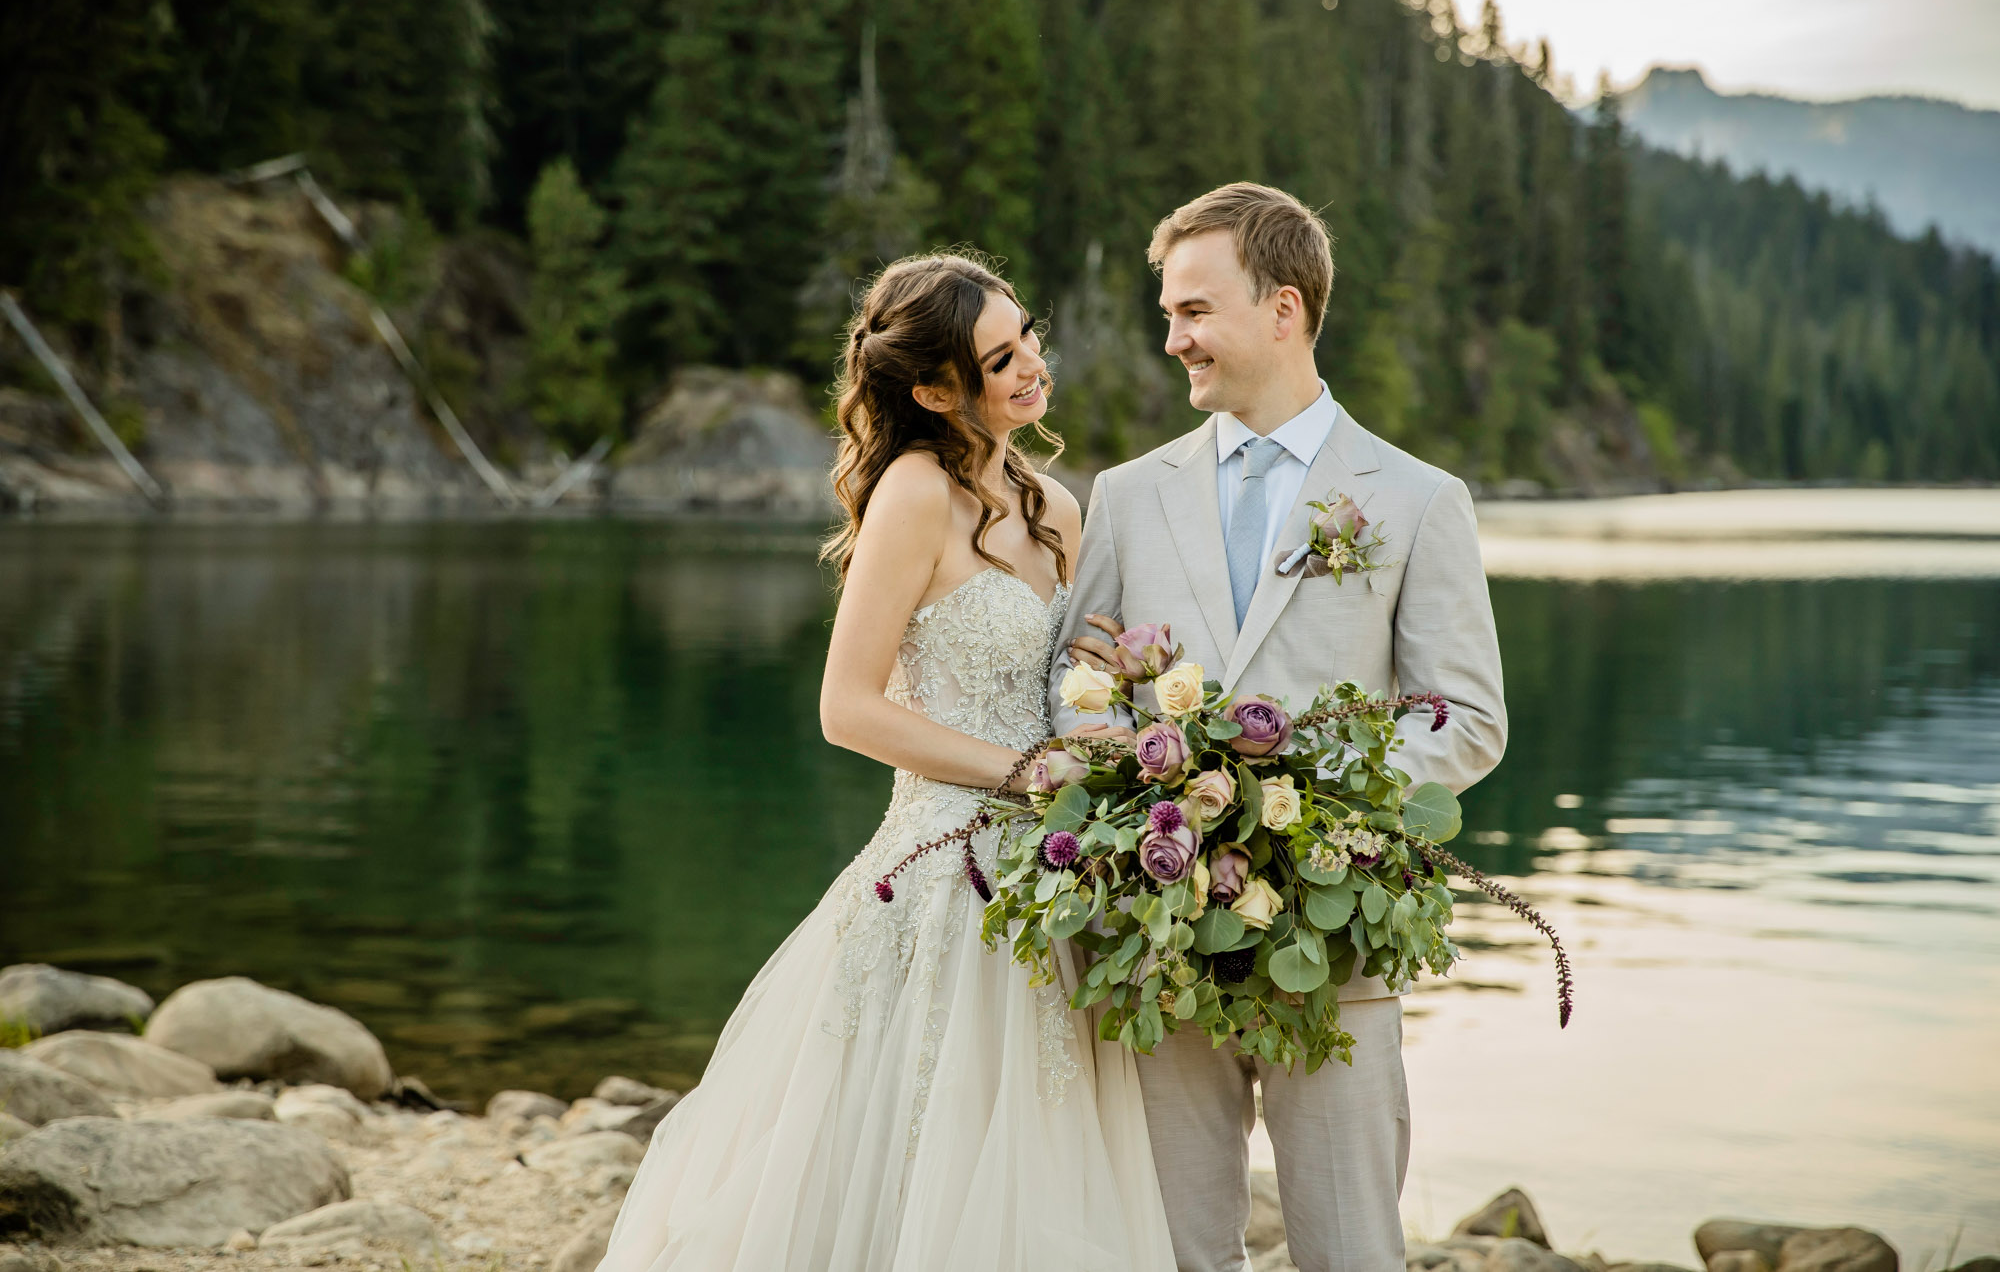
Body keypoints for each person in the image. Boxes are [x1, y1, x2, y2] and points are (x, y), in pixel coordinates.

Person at [595, 252, 1176, 1272]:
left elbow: (1082, 695)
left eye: (1027, 332)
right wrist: (1018, 774)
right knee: (903, 1158)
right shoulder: (913, 492)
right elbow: (845, 708)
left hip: (1051, 883)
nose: (1032, 362)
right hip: (937, 878)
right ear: (933, 390)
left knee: (1034, 1159)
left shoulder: (1056, 504)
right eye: (1001, 357)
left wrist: (1125, 751)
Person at [1053, 183, 1508, 1272]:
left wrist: (1299, 787)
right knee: (1171, 1251)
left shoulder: (1413, 499)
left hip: (1332, 944)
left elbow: (1466, 716)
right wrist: (1133, 759)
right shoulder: (1124, 494)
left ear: (1283, 310)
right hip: (1157, 939)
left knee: (1350, 1247)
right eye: (1168, 313)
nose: (1173, 340)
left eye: (1193, 311)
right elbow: (1068, 691)